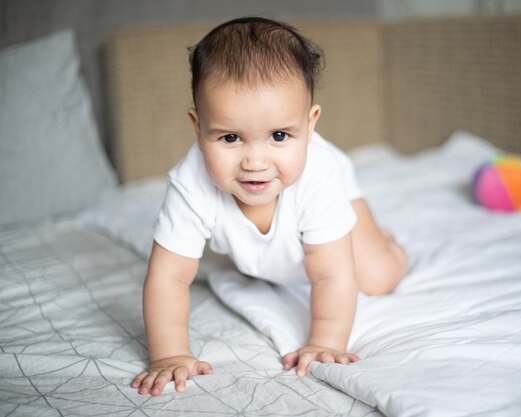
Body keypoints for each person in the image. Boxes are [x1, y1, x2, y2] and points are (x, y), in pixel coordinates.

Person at [131, 16, 408, 397]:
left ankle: (383, 239)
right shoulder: (189, 184)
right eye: (230, 137)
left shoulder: (319, 173)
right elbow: (168, 276)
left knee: (376, 277)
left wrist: (326, 341)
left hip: (330, 207)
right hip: (284, 242)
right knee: (264, 265)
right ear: (198, 128)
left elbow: (330, 274)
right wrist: (169, 355)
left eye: (279, 135)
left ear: (310, 126)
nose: (255, 162)